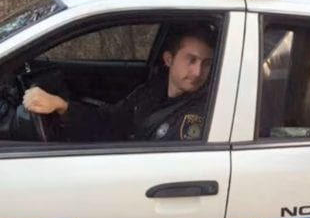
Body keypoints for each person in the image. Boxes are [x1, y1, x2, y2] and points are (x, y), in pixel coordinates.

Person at [22, 27, 215, 141]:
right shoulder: (153, 90)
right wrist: (61, 106)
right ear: (168, 59)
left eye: (206, 64)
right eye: (191, 60)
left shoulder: (205, 110)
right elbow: (110, 121)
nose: (198, 72)